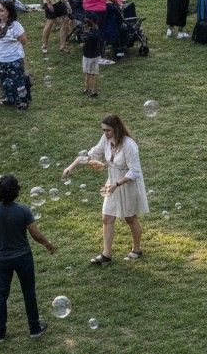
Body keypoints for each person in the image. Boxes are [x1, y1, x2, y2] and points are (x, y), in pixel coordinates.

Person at [63, 113, 149, 264]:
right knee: (107, 217)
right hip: (113, 183)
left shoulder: (129, 145)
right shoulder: (106, 140)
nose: (105, 134)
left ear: (116, 129)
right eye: (103, 130)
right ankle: (106, 254)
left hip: (127, 184)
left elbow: (134, 172)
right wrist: (72, 166)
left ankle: (137, 250)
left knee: (130, 218)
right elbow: (92, 154)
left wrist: (116, 184)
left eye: (108, 130)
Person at [0, 173, 54, 340]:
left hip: (2, 260)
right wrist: (47, 243)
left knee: (1, 295)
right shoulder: (23, 210)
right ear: (16, 191)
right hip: (23, 258)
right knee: (29, 292)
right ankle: (34, 328)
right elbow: (35, 234)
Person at [0, 0, 30, 108]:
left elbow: (24, 41)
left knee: (18, 81)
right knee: (4, 81)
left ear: (9, 12)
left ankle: (23, 101)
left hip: (13, 59)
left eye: (2, 10)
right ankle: (9, 98)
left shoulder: (15, 26)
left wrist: (13, 38)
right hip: (0, 59)